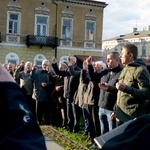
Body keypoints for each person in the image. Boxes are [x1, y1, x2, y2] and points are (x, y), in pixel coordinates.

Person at [99, 43, 150, 125]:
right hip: (121, 115)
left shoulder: (140, 70)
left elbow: (147, 93)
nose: (120, 56)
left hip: (131, 118)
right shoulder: (125, 69)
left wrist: (127, 89)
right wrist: (110, 88)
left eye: (122, 54)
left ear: (130, 55)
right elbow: (121, 91)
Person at [0, 63, 47, 150]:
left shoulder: (31, 73)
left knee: (30, 110)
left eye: (29, 66)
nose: (28, 67)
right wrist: (20, 67)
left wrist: (33, 69)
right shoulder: (22, 73)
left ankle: (30, 120)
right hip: (22, 93)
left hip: (30, 93)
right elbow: (16, 75)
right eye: (27, 66)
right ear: (25, 67)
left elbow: (34, 78)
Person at [82, 56, 107, 148]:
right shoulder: (94, 74)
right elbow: (84, 80)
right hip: (88, 101)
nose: (95, 67)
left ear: (102, 68)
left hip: (95, 102)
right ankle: (92, 139)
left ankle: (97, 141)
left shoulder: (102, 75)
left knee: (96, 122)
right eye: (94, 65)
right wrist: (84, 69)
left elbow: (92, 77)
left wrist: (89, 66)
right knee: (90, 122)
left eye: (97, 66)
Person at [52, 56, 81, 133]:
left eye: (70, 60)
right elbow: (59, 72)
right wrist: (54, 64)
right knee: (69, 113)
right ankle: (69, 126)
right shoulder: (68, 71)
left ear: (74, 62)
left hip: (74, 95)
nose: (68, 62)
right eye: (68, 60)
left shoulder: (78, 70)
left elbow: (74, 75)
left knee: (75, 113)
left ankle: (75, 128)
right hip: (67, 95)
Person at [98, 51, 122, 134]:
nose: (107, 61)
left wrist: (115, 110)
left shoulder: (121, 74)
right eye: (106, 59)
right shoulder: (106, 72)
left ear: (116, 60)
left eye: (109, 59)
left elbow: (120, 93)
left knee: (112, 134)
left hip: (111, 109)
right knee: (103, 132)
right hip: (101, 107)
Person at [31, 59, 55, 125]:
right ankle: (39, 121)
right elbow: (31, 77)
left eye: (46, 64)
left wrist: (47, 84)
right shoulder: (37, 72)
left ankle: (47, 121)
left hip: (47, 94)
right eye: (44, 64)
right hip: (38, 93)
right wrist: (33, 69)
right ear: (42, 65)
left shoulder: (52, 72)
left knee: (47, 109)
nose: (45, 66)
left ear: (49, 65)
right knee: (38, 109)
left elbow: (54, 82)